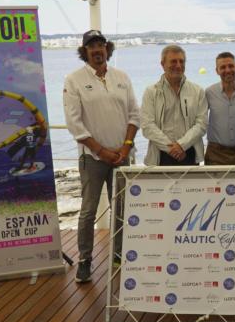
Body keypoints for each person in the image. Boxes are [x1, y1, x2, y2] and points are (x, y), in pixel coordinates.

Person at [63, 29, 140, 283]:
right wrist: (102, 151)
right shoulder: (74, 80)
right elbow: (74, 124)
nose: (97, 50)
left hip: (121, 156)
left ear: (107, 48)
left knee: (123, 208)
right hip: (93, 159)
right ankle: (85, 260)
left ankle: (119, 254)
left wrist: (125, 148)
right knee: (88, 211)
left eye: (101, 45)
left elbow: (134, 115)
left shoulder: (122, 77)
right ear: (84, 51)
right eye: (92, 46)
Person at [141, 44, 208, 166]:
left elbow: (202, 124)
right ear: (162, 64)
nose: (178, 65)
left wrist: (181, 145)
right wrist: (171, 148)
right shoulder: (151, 92)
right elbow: (147, 126)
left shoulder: (198, 91)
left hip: (189, 153)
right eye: (173, 61)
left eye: (181, 61)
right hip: (160, 155)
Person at [204, 52, 235, 165]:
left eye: (231, 66)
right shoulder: (209, 92)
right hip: (215, 154)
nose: (228, 70)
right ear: (217, 71)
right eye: (223, 67)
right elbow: (199, 119)